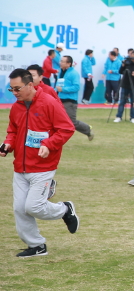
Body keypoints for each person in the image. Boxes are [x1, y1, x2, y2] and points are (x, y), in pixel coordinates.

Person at [2, 68, 79, 257]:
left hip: (43, 166)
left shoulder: (49, 102)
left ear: (30, 85)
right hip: (20, 166)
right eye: (11, 89)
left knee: (33, 207)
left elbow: (67, 129)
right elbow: (13, 131)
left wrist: (48, 144)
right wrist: (8, 144)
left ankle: (64, 210)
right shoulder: (16, 107)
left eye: (17, 88)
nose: (14, 93)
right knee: (20, 208)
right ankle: (37, 246)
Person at [56, 56, 94, 141]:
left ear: (69, 64)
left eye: (62, 61)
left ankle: (87, 129)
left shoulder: (74, 73)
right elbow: (58, 86)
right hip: (59, 100)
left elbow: (76, 87)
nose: (60, 62)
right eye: (60, 61)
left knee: (71, 122)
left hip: (70, 101)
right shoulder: (60, 72)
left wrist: (63, 89)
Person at [116, 50, 134, 123]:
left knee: (133, 102)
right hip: (125, 85)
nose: (133, 60)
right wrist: (123, 65)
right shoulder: (127, 63)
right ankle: (119, 116)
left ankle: (132, 117)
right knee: (122, 101)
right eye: (132, 58)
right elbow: (120, 71)